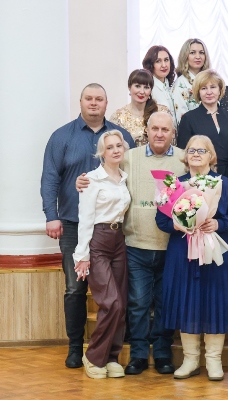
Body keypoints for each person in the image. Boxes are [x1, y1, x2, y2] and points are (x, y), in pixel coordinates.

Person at [78, 112, 185, 375]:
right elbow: (103, 169)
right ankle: (137, 355)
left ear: (173, 133)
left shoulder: (183, 159)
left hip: (170, 246)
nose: (159, 133)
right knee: (136, 303)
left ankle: (162, 353)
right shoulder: (129, 157)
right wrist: (81, 180)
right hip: (135, 245)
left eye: (165, 129)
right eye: (155, 128)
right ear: (146, 130)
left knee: (164, 303)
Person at [41, 83, 134, 369]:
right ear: (80, 102)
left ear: (106, 103)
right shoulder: (62, 136)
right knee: (75, 288)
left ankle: (108, 353)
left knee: (116, 295)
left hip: (111, 230)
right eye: (89, 98)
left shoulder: (121, 136)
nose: (94, 103)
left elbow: (131, 175)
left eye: (99, 99)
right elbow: (50, 177)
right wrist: (51, 215)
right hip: (73, 224)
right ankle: (74, 347)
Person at [158, 135, 228, 381]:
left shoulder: (223, 183)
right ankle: (190, 360)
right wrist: (177, 225)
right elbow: (161, 219)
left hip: (215, 251)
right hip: (183, 252)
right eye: (191, 150)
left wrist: (218, 223)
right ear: (185, 156)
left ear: (211, 156)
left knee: (215, 301)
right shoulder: (174, 185)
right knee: (187, 301)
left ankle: (214, 360)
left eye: (202, 150)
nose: (196, 154)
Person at [72, 130, 131, 379]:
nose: (115, 150)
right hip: (98, 241)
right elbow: (85, 219)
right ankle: (94, 357)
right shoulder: (91, 180)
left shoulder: (125, 177)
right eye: (109, 147)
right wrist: (82, 255)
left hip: (119, 241)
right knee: (111, 302)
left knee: (121, 304)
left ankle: (112, 357)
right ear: (102, 153)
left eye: (119, 145)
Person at [177, 69, 228, 179]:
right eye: (204, 88)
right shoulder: (189, 118)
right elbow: (183, 152)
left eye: (213, 87)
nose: (209, 92)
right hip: (200, 175)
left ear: (220, 90)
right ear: (198, 92)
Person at [110, 69, 173, 146]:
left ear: (151, 90)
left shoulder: (163, 112)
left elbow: (172, 142)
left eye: (146, 87)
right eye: (137, 86)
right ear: (129, 87)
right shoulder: (118, 117)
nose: (142, 92)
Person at [172, 38, 211, 124]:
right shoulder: (181, 83)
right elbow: (182, 118)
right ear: (185, 56)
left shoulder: (211, 80)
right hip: (193, 130)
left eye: (201, 52)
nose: (198, 57)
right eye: (192, 53)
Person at [142, 45, 177, 126]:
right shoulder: (149, 88)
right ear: (151, 64)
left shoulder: (171, 86)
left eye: (166, 60)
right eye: (158, 61)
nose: (164, 65)